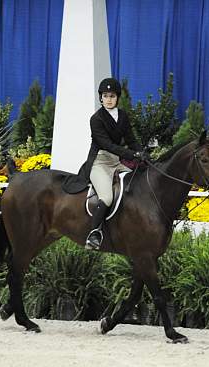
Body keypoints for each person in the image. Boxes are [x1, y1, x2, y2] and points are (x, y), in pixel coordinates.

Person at [62, 77, 146, 250]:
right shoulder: (96, 119)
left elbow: (131, 139)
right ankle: (94, 233)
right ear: (101, 98)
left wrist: (142, 153)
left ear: (117, 98)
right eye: (106, 96)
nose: (109, 99)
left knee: (138, 182)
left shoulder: (122, 116)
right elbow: (107, 145)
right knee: (107, 197)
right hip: (99, 162)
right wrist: (131, 154)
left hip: (116, 161)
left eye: (112, 96)